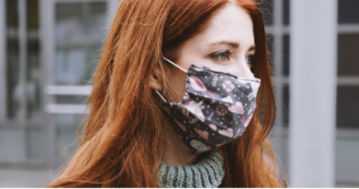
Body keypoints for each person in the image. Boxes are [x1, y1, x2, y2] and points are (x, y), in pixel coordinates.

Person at [47, 0, 286, 188]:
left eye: (250, 58)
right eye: (223, 54)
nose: (248, 78)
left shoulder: (258, 180)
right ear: (154, 71)